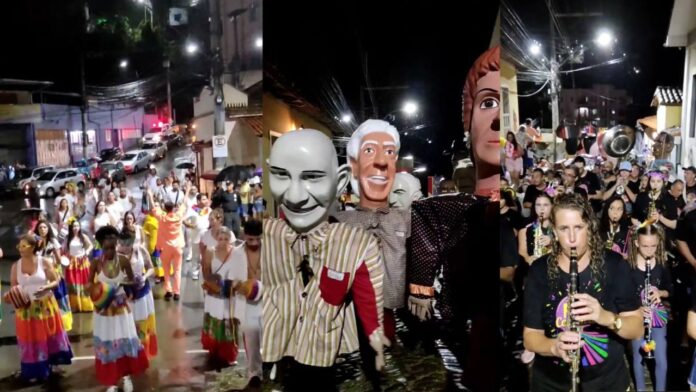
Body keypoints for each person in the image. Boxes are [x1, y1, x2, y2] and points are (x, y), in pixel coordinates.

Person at [264, 129, 387, 391]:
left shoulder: (356, 243)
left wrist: (375, 337)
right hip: (283, 351)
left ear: (340, 180)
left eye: (313, 178)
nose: (295, 196)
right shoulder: (266, 236)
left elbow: (369, 297)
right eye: (281, 175)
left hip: (332, 353)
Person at [523, 193, 643, 391]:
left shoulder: (614, 264)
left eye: (578, 227)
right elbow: (531, 336)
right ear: (554, 230)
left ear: (590, 227)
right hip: (551, 384)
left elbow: (637, 329)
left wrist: (605, 317)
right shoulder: (539, 270)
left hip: (607, 383)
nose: (571, 238)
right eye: (563, 229)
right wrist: (554, 347)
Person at [4, 234, 73, 382]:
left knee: (49, 336)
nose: (20, 249)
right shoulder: (16, 266)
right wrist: (9, 296)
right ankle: (35, 369)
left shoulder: (45, 262)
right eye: (19, 246)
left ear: (33, 247)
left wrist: (47, 286)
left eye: (24, 246)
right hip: (26, 309)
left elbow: (56, 280)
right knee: (30, 340)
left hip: (45, 306)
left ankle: (53, 365)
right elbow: (13, 287)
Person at [88, 226, 148, 392]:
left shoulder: (123, 260)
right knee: (108, 343)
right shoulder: (95, 263)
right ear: (100, 246)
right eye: (106, 248)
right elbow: (88, 284)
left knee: (123, 340)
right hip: (103, 309)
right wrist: (96, 290)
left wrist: (122, 284)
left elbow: (132, 281)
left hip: (120, 306)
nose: (110, 251)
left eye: (112, 247)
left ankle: (126, 377)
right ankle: (111, 381)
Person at [626, 224, 672, 392]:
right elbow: (623, 296)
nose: (649, 250)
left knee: (661, 360)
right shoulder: (628, 267)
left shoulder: (661, 264)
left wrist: (660, 292)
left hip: (658, 315)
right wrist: (637, 308)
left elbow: (671, 290)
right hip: (637, 318)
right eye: (645, 246)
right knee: (638, 358)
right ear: (637, 243)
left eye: (653, 245)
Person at [201, 226, 246, 369]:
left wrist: (235, 285)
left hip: (230, 295)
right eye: (220, 238)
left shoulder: (236, 253)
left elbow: (241, 272)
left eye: (226, 239)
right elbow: (206, 272)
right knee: (215, 322)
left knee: (229, 324)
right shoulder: (210, 252)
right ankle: (214, 348)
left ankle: (230, 353)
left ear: (230, 239)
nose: (223, 241)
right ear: (216, 239)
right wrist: (214, 281)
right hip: (214, 295)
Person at [146, 182, 192, 301]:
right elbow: (184, 203)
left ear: (165, 209)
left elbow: (153, 207)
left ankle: (169, 291)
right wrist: (187, 190)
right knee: (177, 270)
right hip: (177, 247)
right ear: (173, 208)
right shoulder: (178, 216)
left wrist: (150, 195)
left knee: (166, 270)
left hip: (165, 248)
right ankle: (177, 292)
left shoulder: (162, 217)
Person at [118, 229, 158, 359]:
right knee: (127, 323)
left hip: (142, 292)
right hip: (125, 293)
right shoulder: (115, 255)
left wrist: (144, 277)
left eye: (127, 244)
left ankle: (142, 352)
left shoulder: (141, 250)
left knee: (141, 323)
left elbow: (151, 268)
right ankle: (129, 353)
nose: (125, 247)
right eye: (122, 244)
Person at [235, 220, 263, 388]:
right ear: (244, 236)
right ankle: (254, 374)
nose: (254, 243)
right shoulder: (236, 253)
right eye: (251, 239)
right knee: (252, 340)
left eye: (258, 239)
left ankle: (274, 368)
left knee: (273, 337)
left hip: (269, 298)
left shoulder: (271, 250)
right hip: (246, 302)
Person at [34, 219, 73, 331]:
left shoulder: (53, 242)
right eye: (40, 227)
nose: (42, 230)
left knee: (58, 300)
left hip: (52, 275)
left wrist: (53, 267)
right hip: (39, 276)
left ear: (48, 229)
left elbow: (59, 260)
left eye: (45, 227)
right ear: (37, 229)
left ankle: (61, 324)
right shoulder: (35, 243)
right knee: (41, 301)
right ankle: (44, 325)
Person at [63, 218, 94, 312]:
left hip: (83, 262)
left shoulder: (83, 236)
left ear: (80, 227)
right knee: (73, 284)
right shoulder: (67, 238)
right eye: (74, 226)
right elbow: (63, 249)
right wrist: (66, 257)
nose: (75, 228)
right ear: (71, 228)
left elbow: (91, 245)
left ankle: (86, 305)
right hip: (72, 263)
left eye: (77, 226)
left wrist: (87, 252)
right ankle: (75, 306)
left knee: (84, 282)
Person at [518, 193, 553, 265]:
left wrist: (553, 242)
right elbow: (522, 252)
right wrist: (527, 258)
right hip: (534, 269)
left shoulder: (559, 228)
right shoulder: (525, 229)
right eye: (538, 205)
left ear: (552, 206)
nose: (542, 208)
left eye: (546, 205)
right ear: (534, 207)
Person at [184, 193, 212, 280]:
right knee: (196, 256)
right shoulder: (192, 210)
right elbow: (184, 220)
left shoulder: (208, 210)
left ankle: (208, 273)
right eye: (203, 199)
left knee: (207, 256)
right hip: (196, 236)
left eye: (206, 199)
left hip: (207, 236)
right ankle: (195, 273)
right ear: (198, 201)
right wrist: (191, 226)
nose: (206, 201)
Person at [142, 202, 164, 284]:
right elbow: (144, 228)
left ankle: (163, 274)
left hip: (164, 241)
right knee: (156, 259)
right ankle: (158, 275)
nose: (155, 208)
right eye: (153, 206)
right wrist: (146, 233)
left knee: (163, 259)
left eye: (157, 206)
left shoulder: (163, 216)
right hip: (153, 242)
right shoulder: (148, 218)